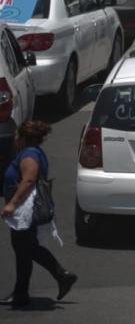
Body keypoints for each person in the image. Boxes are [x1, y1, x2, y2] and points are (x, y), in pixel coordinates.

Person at [1, 121, 77, 307]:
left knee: (26, 248)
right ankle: (21, 293)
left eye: (17, 136)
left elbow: (28, 181)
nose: (15, 139)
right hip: (25, 207)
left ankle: (62, 275)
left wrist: (11, 204)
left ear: (24, 138)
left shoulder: (29, 155)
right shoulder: (30, 152)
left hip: (25, 208)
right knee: (24, 250)